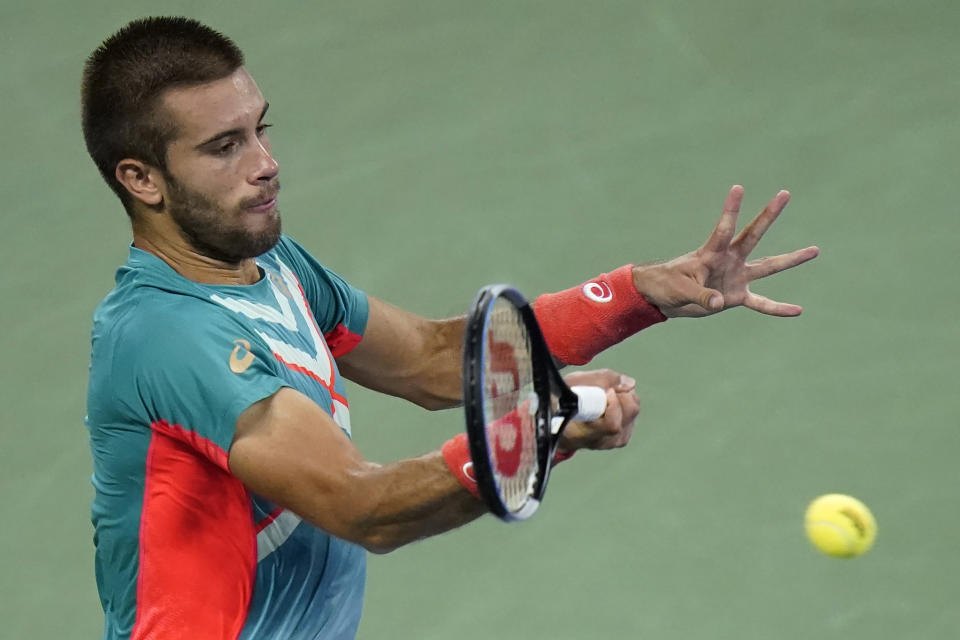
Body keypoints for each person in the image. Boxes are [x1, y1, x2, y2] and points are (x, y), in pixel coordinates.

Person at [82, 16, 819, 640]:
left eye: (259, 129)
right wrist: (533, 433)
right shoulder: (167, 335)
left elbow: (435, 361)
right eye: (224, 147)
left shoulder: (271, 266)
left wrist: (636, 293)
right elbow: (362, 506)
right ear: (141, 179)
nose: (267, 164)